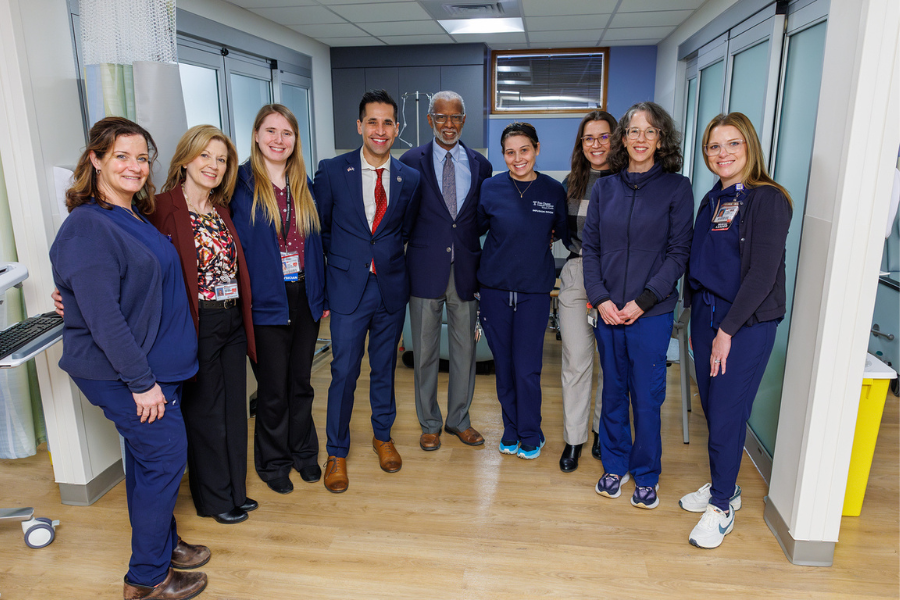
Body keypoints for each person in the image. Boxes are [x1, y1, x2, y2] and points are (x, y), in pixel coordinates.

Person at [49, 117, 209, 599]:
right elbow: (105, 319)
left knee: (147, 462)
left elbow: (118, 291)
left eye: (142, 158)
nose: (135, 167)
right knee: (163, 457)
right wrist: (141, 382)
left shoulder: (130, 215)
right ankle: (147, 579)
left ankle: (163, 543)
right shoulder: (88, 226)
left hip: (160, 365)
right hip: (127, 372)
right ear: (95, 159)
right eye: (121, 155)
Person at [679, 113, 792, 549]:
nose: (722, 153)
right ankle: (725, 484)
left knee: (727, 410)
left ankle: (721, 506)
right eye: (714, 146)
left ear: (750, 148)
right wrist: (696, 317)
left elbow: (762, 273)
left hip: (743, 322)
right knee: (714, 407)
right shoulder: (714, 197)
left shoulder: (768, 199)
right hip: (707, 316)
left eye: (732, 144)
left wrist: (727, 329)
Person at [582, 102, 693, 509]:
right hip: (608, 311)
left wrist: (643, 301)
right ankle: (615, 464)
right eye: (633, 131)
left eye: (650, 131)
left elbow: (679, 253)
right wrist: (601, 298)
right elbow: (589, 249)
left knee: (646, 396)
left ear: (661, 138)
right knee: (612, 391)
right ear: (622, 139)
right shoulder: (604, 188)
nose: (641, 139)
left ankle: (646, 473)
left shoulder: (676, 189)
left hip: (652, 313)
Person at [148, 125, 257, 525]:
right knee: (205, 411)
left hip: (231, 318)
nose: (213, 165)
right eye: (205, 156)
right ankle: (213, 499)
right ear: (186, 159)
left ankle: (235, 490)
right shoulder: (159, 208)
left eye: (222, 159)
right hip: (195, 322)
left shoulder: (221, 211)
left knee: (233, 408)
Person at [314, 89, 421, 493]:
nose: (380, 130)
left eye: (388, 122)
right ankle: (336, 452)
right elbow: (322, 228)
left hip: (391, 287)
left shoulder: (408, 178)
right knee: (343, 371)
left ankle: (382, 436)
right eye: (372, 122)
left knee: (385, 369)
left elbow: (403, 230)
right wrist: (344, 264)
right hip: (347, 289)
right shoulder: (331, 171)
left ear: (397, 128)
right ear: (359, 126)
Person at [230, 104, 326, 495]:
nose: (278, 140)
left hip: (305, 295)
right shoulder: (237, 184)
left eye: (286, 133)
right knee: (273, 388)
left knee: (301, 383)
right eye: (270, 131)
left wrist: (323, 294)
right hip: (265, 300)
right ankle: (273, 463)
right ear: (255, 135)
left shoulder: (304, 183)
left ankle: (304, 453)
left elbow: (319, 243)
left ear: (295, 140)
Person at [399, 90, 493, 452]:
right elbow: (404, 219)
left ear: (464, 120)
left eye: (456, 117)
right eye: (441, 117)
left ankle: (459, 420)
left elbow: (481, 217)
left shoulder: (481, 164)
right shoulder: (410, 161)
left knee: (464, 352)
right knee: (423, 353)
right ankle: (430, 423)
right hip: (424, 269)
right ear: (430, 120)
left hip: (467, 269)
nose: (449, 124)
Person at [476, 122, 568, 460]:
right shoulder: (490, 187)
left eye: (524, 150)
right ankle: (511, 429)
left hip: (534, 292)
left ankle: (531, 431)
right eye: (510, 152)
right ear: (503, 155)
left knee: (527, 367)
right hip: (494, 290)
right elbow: (475, 229)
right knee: (504, 365)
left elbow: (560, 229)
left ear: (537, 149)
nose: (518, 158)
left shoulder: (552, 190)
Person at [558, 110, 618, 473]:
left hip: (618, 277)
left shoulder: (630, 180)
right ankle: (574, 438)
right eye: (588, 138)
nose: (596, 145)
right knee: (577, 360)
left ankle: (601, 432)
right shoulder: (572, 181)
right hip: (578, 272)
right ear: (581, 144)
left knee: (611, 363)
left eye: (603, 136)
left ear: (616, 139)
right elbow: (562, 229)